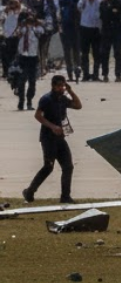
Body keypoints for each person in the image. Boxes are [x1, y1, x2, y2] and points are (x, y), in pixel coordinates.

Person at [23, 75, 82, 204]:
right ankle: (29, 191)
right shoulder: (46, 99)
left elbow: (78, 105)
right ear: (53, 86)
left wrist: (71, 91)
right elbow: (38, 116)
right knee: (48, 167)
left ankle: (65, 196)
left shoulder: (63, 99)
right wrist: (52, 126)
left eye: (63, 85)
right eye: (59, 86)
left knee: (68, 167)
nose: (61, 88)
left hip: (60, 138)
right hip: (48, 138)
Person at [13, 11, 43, 110]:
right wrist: (22, 25)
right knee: (21, 80)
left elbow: (42, 32)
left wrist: (36, 23)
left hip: (33, 58)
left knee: (32, 81)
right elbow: (16, 33)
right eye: (28, 19)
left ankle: (29, 101)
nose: (29, 21)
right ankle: (21, 101)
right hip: (22, 57)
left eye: (31, 19)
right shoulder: (22, 29)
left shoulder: (37, 29)